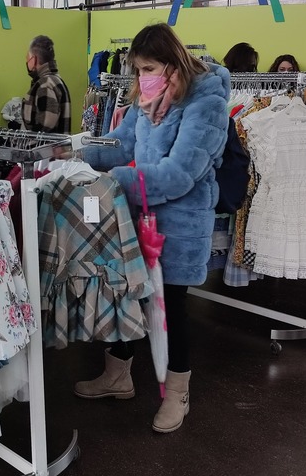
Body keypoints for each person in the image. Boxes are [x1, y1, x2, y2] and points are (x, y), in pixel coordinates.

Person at [76, 22, 229, 433]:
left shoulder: (207, 102)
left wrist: (116, 181)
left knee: (170, 309)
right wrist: (75, 153)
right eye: (138, 69)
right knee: (124, 295)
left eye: (149, 68)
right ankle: (118, 376)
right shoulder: (147, 97)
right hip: (137, 216)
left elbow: (181, 174)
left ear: (172, 62)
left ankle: (178, 394)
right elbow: (121, 143)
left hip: (178, 226)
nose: (143, 76)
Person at [22, 35, 71, 133]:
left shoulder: (45, 84)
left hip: (43, 143)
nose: (26, 61)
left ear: (33, 59)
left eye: (27, 57)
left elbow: (45, 127)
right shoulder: (54, 80)